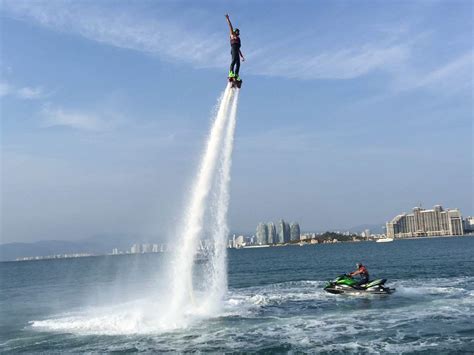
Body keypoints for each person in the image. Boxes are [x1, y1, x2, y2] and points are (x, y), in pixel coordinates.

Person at [225, 14, 245, 81]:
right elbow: (230, 27)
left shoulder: (238, 39)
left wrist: (241, 56)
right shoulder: (232, 35)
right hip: (233, 49)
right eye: (237, 31)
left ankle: (236, 75)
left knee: (238, 64)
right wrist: (228, 19)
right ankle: (231, 73)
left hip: (237, 49)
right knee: (233, 61)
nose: (238, 32)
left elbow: (239, 49)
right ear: (234, 31)